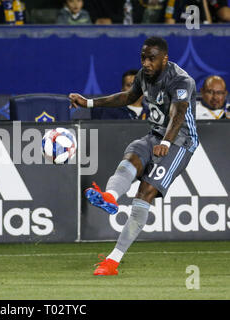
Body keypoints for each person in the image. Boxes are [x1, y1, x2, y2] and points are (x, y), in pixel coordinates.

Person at [69, 36, 198, 276]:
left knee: (145, 192)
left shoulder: (181, 81)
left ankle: (112, 261)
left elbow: (178, 114)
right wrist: (87, 103)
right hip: (155, 135)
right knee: (131, 158)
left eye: (152, 58)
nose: (146, 63)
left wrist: (167, 143)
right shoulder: (143, 76)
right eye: (143, 58)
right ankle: (110, 196)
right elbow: (127, 98)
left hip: (180, 141)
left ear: (165, 59)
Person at [165, 0, 230, 24]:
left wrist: (204, 3)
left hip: (203, 40)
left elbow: (208, 26)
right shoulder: (174, 1)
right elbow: (169, 25)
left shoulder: (205, 2)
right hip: (182, 39)